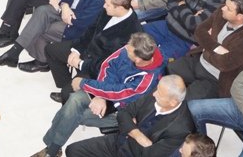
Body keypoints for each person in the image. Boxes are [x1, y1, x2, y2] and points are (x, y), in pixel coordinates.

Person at [31, 33, 165, 157]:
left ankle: (51, 150)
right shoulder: (131, 47)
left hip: (123, 112)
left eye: (129, 51)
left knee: (73, 115)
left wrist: (84, 83)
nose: (125, 49)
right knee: (74, 100)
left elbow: (118, 93)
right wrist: (100, 96)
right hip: (107, 93)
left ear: (138, 60)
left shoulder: (147, 80)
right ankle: (53, 150)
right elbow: (108, 66)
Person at [45, 0, 141, 102]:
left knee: (67, 94)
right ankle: (65, 84)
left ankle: (67, 92)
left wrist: (80, 64)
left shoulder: (131, 34)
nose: (104, 6)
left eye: (107, 5)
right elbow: (91, 30)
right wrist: (76, 50)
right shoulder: (108, 11)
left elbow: (107, 65)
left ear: (119, 7)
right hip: (87, 49)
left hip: (97, 66)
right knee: (50, 50)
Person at [64, 75, 194, 157]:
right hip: (118, 140)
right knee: (72, 151)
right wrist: (137, 134)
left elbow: (150, 154)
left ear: (173, 102)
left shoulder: (181, 128)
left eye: (159, 94)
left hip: (134, 154)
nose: (154, 94)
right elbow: (124, 113)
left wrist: (129, 125)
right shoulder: (157, 92)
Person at [168, 0, 243, 100]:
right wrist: (217, 48)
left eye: (228, 8)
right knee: (170, 69)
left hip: (215, 78)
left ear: (239, 17)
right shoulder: (221, 12)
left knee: (186, 100)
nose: (223, 8)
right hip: (199, 60)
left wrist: (207, 43)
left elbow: (224, 64)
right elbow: (199, 31)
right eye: (225, 4)